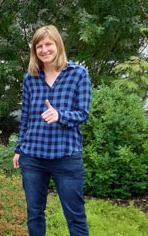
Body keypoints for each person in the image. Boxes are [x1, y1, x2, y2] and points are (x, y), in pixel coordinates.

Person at [13, 25, 91, 236]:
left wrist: (60, 115)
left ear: (58, 45)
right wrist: (19, 148)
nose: (44, 49)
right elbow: (26, 117)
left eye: (48, 44)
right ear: (34, 50)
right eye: (39, 46)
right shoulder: (30, 78)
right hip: (33, 158)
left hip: (65, 156)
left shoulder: (78, 74)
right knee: (35, 213)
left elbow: (83, 113)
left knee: (75, 216)